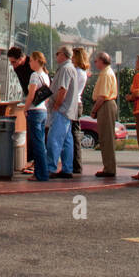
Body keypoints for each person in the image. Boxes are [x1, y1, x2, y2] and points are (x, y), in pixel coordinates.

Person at [46, 45, 79, 178]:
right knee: (66, 141)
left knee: (54, 139)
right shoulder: (70, 68)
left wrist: (57, 104)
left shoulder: (65, 69)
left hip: (62, 110)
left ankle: (51, 168)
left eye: (57, 53)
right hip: (68, 110)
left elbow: (62, 89)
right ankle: (67, 168)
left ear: (63, 55)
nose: (56, 56)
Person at [24, 52, 52, 181]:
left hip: (34, 111)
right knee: (41, 142)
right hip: (43, 111)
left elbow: (31, 94)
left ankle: (41, 174)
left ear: (36, 61)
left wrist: (25, 108)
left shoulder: (34, 75)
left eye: (30, 61)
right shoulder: (45, 76)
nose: (29, 63)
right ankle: (43, 171)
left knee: (37, 143)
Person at [91, 52, 119, 177]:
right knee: (105, 137)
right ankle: (108, 166)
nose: (95, 63)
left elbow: (102, 96)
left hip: (106, 105)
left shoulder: (106, 74)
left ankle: (109, 168)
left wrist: (94, 110)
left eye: (96, 61)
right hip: (106, 104)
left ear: (102, 61)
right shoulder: (107, 72)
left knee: (106, 138)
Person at [8, 46, 34, 174]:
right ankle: (33, 162)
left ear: (21, 58)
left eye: (14, 62)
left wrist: (28, 104)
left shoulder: (32, 65)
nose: (13, 66)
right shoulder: (18, 68)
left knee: (37, 136)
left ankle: (36, 163)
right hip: (29, 100)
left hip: (36, 103)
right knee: (32, 134)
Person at [69, 47, 91, 175]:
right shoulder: (82, 72)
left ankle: (76, 164)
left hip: (74, 103)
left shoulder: (76, 72)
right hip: (78, 103)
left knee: (73, 134)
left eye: (73, 56)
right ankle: (75, 164)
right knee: (74, 133)